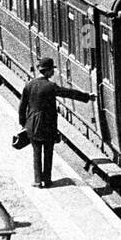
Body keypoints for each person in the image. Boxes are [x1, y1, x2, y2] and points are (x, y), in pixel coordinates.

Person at [17, 56, 91, 188]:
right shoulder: (50, 86)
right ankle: (47, 180)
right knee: (48, 152)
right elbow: (68, 93)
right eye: (52, 70)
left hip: (32, 124)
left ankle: (37, 180)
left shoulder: (29, 85)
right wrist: (86, 96)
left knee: (36, 152)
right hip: (47, 125)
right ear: (48, 71)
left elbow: (22, 107)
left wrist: (24, 124)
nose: (53, 73)